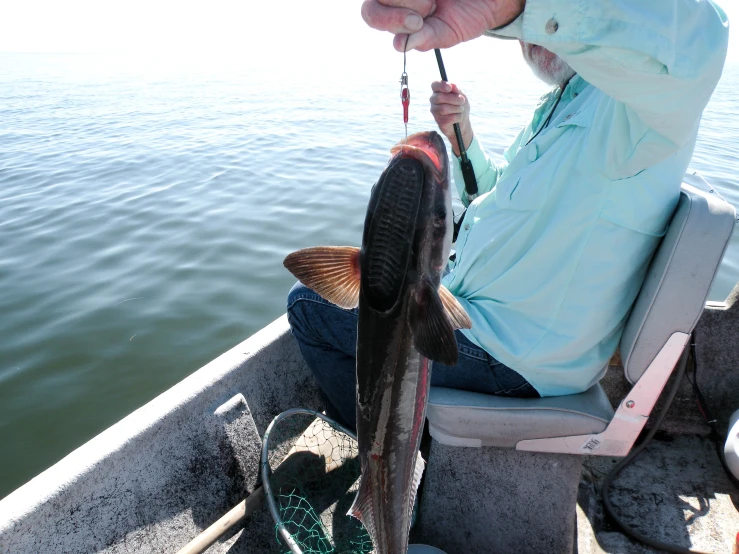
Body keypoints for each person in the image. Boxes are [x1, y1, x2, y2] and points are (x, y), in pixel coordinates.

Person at [287, 0, 729, 431]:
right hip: (481, 316)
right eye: (527, 33)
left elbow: (699, 42)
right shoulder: (561, 104)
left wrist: (519, 6)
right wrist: (462, 137)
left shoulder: (639, 114)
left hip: (517, 354)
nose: (533, 38)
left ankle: (387, 451)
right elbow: (495, 196)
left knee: (307, 306)